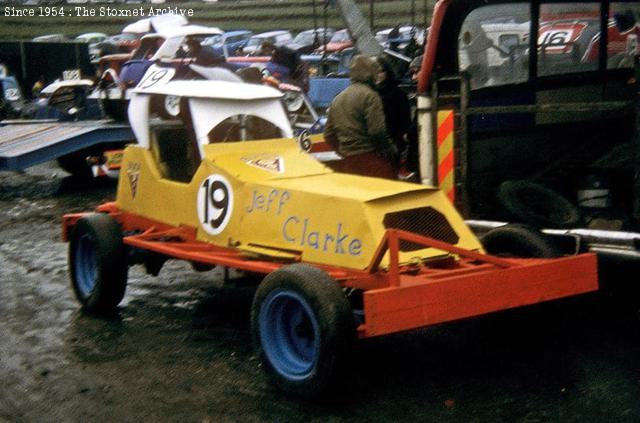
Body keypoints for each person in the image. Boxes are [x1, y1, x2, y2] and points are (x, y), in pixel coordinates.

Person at [323, 55, 397, 179]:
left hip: (348, 162)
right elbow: (377, 131)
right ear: (370, 74)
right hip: (371, 161)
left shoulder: (338, 98)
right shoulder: (370, 96)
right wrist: (390, 151)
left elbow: (328, 135)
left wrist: (343, 151)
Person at [375, 56, 414, 175]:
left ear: (387, 72)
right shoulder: (369, 93)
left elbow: (405, 121)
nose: (377, 75)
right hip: (374, 145)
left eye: (381, 71)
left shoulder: (398, 94)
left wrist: (399, 144)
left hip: (392, 145)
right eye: (374, 71)